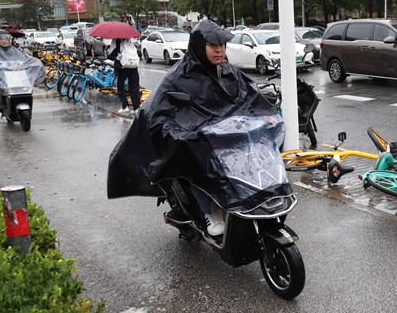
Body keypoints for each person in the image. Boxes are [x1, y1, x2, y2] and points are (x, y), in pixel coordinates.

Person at [106, 20, 281, 237]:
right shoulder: (180, 75)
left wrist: (266, 113)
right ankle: (210, 212)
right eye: (213, 45)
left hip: (224, 133)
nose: (219, 50)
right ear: (200, 45)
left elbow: (248, 94)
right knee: (200, 161)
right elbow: (156, 111)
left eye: (222, 46)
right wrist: (179, 132)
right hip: (194, 137)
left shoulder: (227, 70)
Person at [108, 38, 141, 115]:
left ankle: (125, 107)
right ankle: (136, 108)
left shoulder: (116, 40)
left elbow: (111, 53)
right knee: (134, 87)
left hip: (123, 67)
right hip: (133, 66)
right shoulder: (130, 40)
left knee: (120, 87)